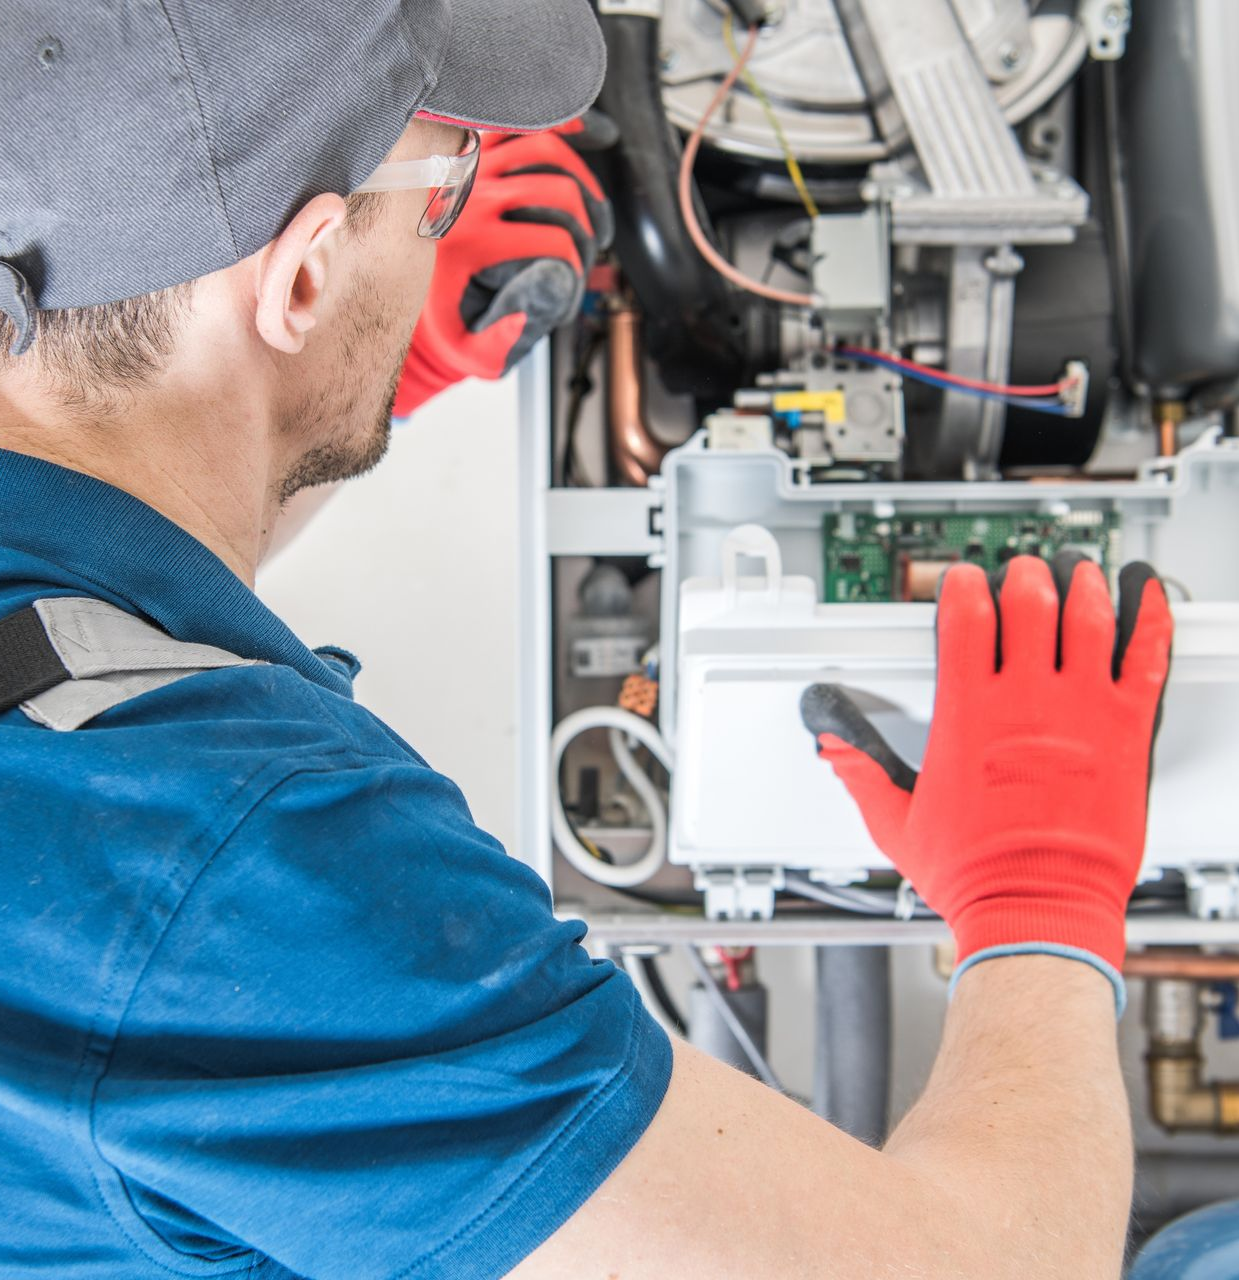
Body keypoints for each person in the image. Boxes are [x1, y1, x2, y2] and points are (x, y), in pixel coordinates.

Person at [0, 3, 1172, 1278]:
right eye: (444, 192)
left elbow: (104, 551)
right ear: (300, 275)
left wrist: (354, 375)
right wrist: (1040, 896)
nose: (453, 221)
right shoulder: (243, 874)